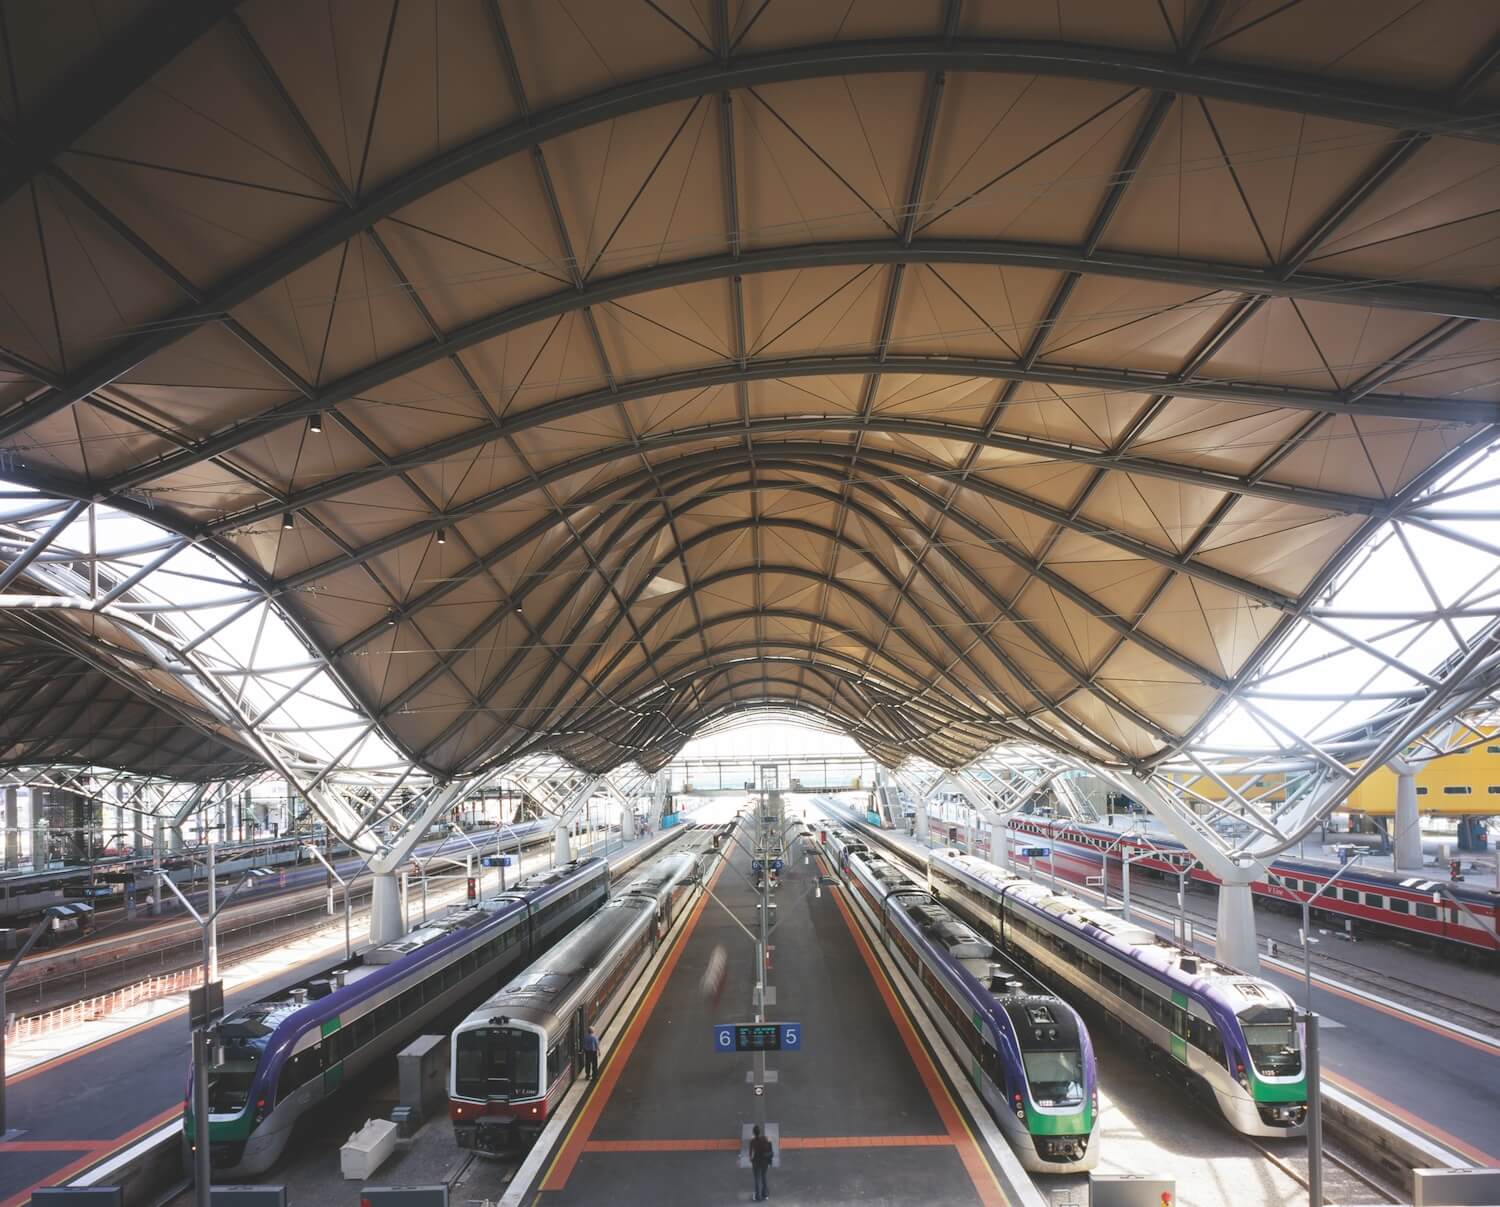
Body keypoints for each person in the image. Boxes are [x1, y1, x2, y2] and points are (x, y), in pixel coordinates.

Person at [748, 1124, 773, 1201]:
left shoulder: (752, 1141)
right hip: (764, 1162)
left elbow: (751, 1154)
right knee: (764, 1177)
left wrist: (751, 1160)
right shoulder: (764, 1139)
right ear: (760, 1132)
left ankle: (757, 1196)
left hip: (756, 1163)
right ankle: (765, 1195)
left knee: (757, 1179)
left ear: (753, 1133)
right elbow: (769, 1142)